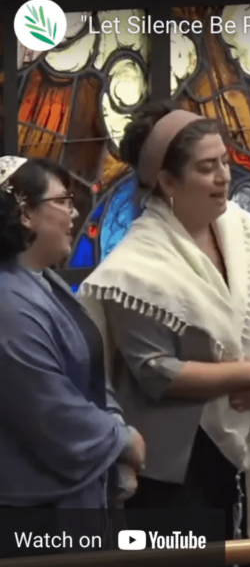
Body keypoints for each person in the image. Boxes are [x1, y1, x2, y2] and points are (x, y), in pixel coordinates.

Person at [77, 101, 250, 542]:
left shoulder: (247, 231)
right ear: (167, 182)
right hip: (179, 463)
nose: (224, 176)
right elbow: (154, 372)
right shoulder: (135, 268)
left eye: (225, 161)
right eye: (207, 168)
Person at [0, 156, 144, 552]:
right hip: (32, 514)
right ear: (26, 213)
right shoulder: (7, 305)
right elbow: (47, 407)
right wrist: (121, 440)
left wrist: (114, 420)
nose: (74, 211)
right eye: (63, 200)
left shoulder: (44, 281)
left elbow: (91, 372)